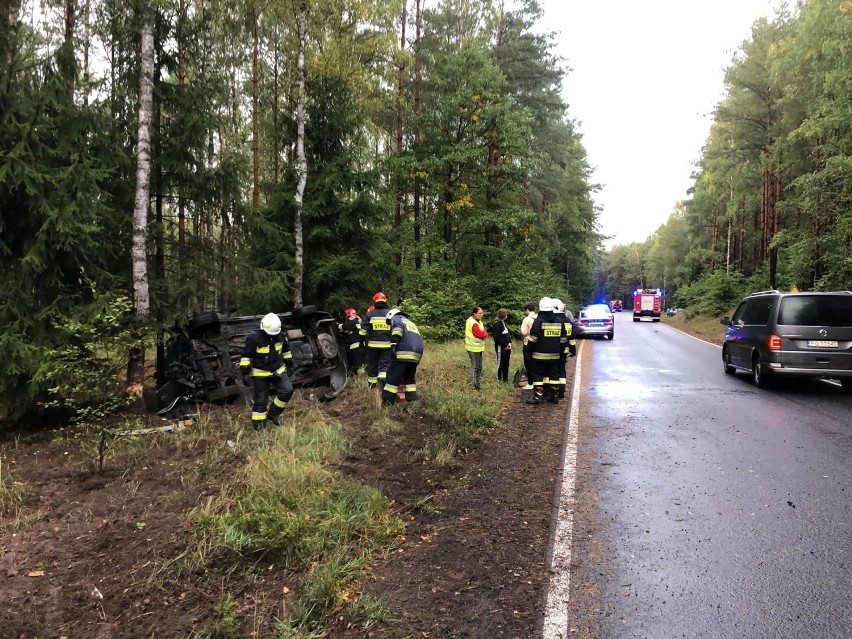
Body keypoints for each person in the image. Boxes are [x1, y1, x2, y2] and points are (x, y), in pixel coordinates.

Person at [240, 312, 295, 430]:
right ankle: (259, 424)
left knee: (288, 390)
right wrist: (245, 373)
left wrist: (290, 364)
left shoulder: (280, 335)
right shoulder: (254, 338)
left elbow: (286, 350)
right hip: (261, 373)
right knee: (261, 400)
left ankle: (274, 414)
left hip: (278, 370)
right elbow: (246, 356)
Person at [526, 297, 568, 405]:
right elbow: (564, 339)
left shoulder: (538, 321)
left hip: (539, 356)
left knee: (538, 376)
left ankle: (538, 397)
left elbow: (533, 338)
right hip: (555, 355)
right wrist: (562, 352)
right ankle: (554, 396)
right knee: (554, 376)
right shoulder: (559, 321)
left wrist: (528, 350)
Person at [382, 308, 424, 404]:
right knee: (409, 376)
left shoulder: (396, 318)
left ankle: (387, 400)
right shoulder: (410, 323)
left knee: (393, 375)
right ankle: (412, 399)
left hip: (404, 351)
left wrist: (393, 344)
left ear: (390, 316)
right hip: (417, 353)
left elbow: (397, 330)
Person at [364, 292, 393, 388]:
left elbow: (362, 331)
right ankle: (384, 382)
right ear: (385, 301)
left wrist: (361, 342)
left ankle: (372, 385)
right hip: (387, 346)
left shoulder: (370, 314)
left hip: (373, 346)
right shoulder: (390, 314)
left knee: (372, 365)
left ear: (374, 302)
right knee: (385, 364)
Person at [552, 299, 577, 399]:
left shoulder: (553, 321)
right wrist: (573, 351)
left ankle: (552, 392)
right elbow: (571, 339)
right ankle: (561, 392)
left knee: (552, 371)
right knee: (562, 370)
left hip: (552, 350)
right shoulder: (568, 322)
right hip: (564, 351)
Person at [465, 306, 488, 390]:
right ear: (474, 314)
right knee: (475, 367)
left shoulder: (479, 321)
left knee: (479, 367)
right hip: (473, 348)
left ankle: (477, 383)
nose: (482, 314)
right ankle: (474, 385)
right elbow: (481, 334)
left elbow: (484, 331)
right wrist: (484, 334)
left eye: (482, 313)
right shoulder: (472, 322)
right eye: (480, 313)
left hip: (478, 347)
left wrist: (484, 333)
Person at [490, 308, 512, 383]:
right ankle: (499, 379)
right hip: (500, 347)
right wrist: (505, 344)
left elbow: (507, 335)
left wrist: (509, 343)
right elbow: (496, 338)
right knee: (500, 363)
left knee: (506, 363)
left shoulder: (504, 324)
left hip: (507, 347)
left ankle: (505, 380)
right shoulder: (497, 325)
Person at [519, 301, 538, 390]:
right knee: (536, 363)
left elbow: (523, 332)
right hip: (538, 344)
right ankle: (538, 381)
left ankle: (531, 383)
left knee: (528, 363)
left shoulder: (527, 319)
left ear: (527, 309)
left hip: (528, 343)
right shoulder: (538, 317)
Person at [340, 307, 364, 375]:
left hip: (356, 345)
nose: (346, 318)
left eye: (346, 316)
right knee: (355, 361)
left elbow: (344, 326)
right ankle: (356, 374)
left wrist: (338, 326)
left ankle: (360, 375)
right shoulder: (358, 321)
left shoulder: (353, 322)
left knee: (357, 361)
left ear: (349, 316)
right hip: (357, 345)